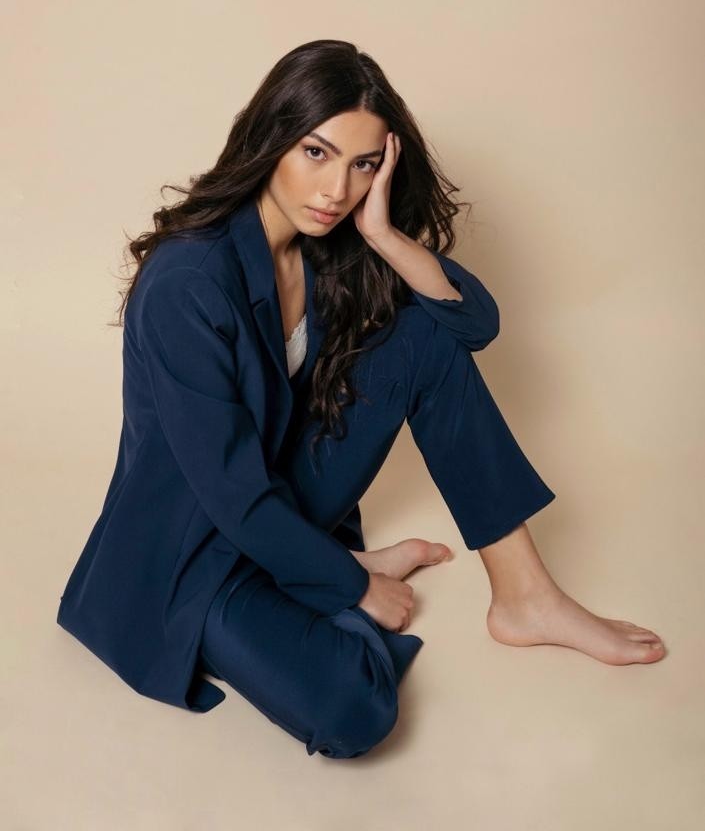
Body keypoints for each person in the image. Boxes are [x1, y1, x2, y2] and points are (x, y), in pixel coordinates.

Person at [56, 39, 665, 760]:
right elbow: (230, 494)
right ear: (272, 138)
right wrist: (353, 586)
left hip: (282, 502)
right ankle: (315, 580)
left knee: (425, 337)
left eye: (363, 165)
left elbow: (472, 326)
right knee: (353, 708)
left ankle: (525, 596)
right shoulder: (187, 281)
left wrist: (382, 233)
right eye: (316, 154)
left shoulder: (331, 245)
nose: (336, 190)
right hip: (197, 551)